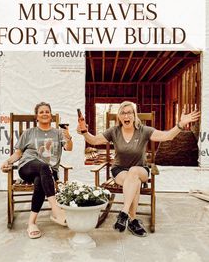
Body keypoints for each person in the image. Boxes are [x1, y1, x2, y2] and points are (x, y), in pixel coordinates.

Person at [77, 101, 200, 237]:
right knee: (132, 180)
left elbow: (167, 136)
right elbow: (93, 140)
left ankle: (123, 213)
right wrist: (84, 131)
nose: (126, 115)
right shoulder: (114, 131)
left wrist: (180, 124)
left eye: (129, 112)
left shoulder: (144, 131)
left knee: (134, 172)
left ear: (135, 115)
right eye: (123, 113)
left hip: (140, 169)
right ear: (119, 117)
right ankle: (132, 219)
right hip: (119, 171)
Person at [1, 102, 73, 239]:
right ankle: (56, 209)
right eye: (41, 112)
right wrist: (7, 161)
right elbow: (18, 153)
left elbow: (69, 148)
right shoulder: (28, 133)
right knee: (43, 166)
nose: (45, 113)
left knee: (41, 179)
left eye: (47, 111)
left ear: (51, 116)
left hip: (49, 173)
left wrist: (68, 137)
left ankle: (31, 223)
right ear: (37, 117)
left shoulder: (58, 133)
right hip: (27, 167)